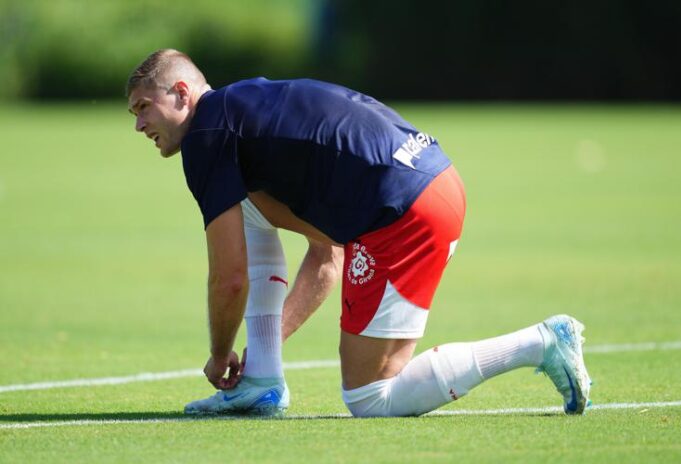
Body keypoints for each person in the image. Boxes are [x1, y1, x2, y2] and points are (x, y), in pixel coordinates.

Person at [126, 49, 592, 418]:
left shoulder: (207, 137)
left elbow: (230, 278)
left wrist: (220, 354)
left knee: (369, 396)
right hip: (436, 182)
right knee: (247, 205)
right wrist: (263, 351)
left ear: (183, 94)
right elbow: (327, 256)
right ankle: (262, 383)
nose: (139, 125)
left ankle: (541, 342)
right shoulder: (246, 111)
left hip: (404, 210)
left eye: (145, 107)